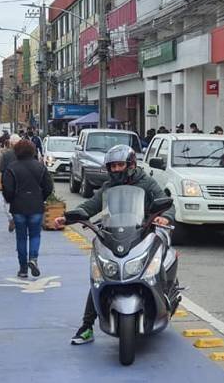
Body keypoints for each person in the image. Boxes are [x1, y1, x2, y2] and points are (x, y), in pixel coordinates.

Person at [52, 145, 174, 345]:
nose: (116, 169)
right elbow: (90, 205)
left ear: (131, 164)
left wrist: (165, 218)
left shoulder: (146, 182)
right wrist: (67, 218)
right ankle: (86, 327)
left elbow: (164, 201)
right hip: (117, 234)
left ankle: (165, 298)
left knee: (156, 261)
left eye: (120, 165)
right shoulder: (108, 187)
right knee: (100, 277)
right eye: (112, 166)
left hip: (143, 231)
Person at [2, 140, 53, 278]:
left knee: (21, 237)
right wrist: (41, 197)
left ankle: (23, 268)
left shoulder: (12, 167)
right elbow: (49, 186)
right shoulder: (40, 167)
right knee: (35, 234)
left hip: (18, 206)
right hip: (36, 205)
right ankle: (33, 259)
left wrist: (11, 199)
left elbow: (7, 189)